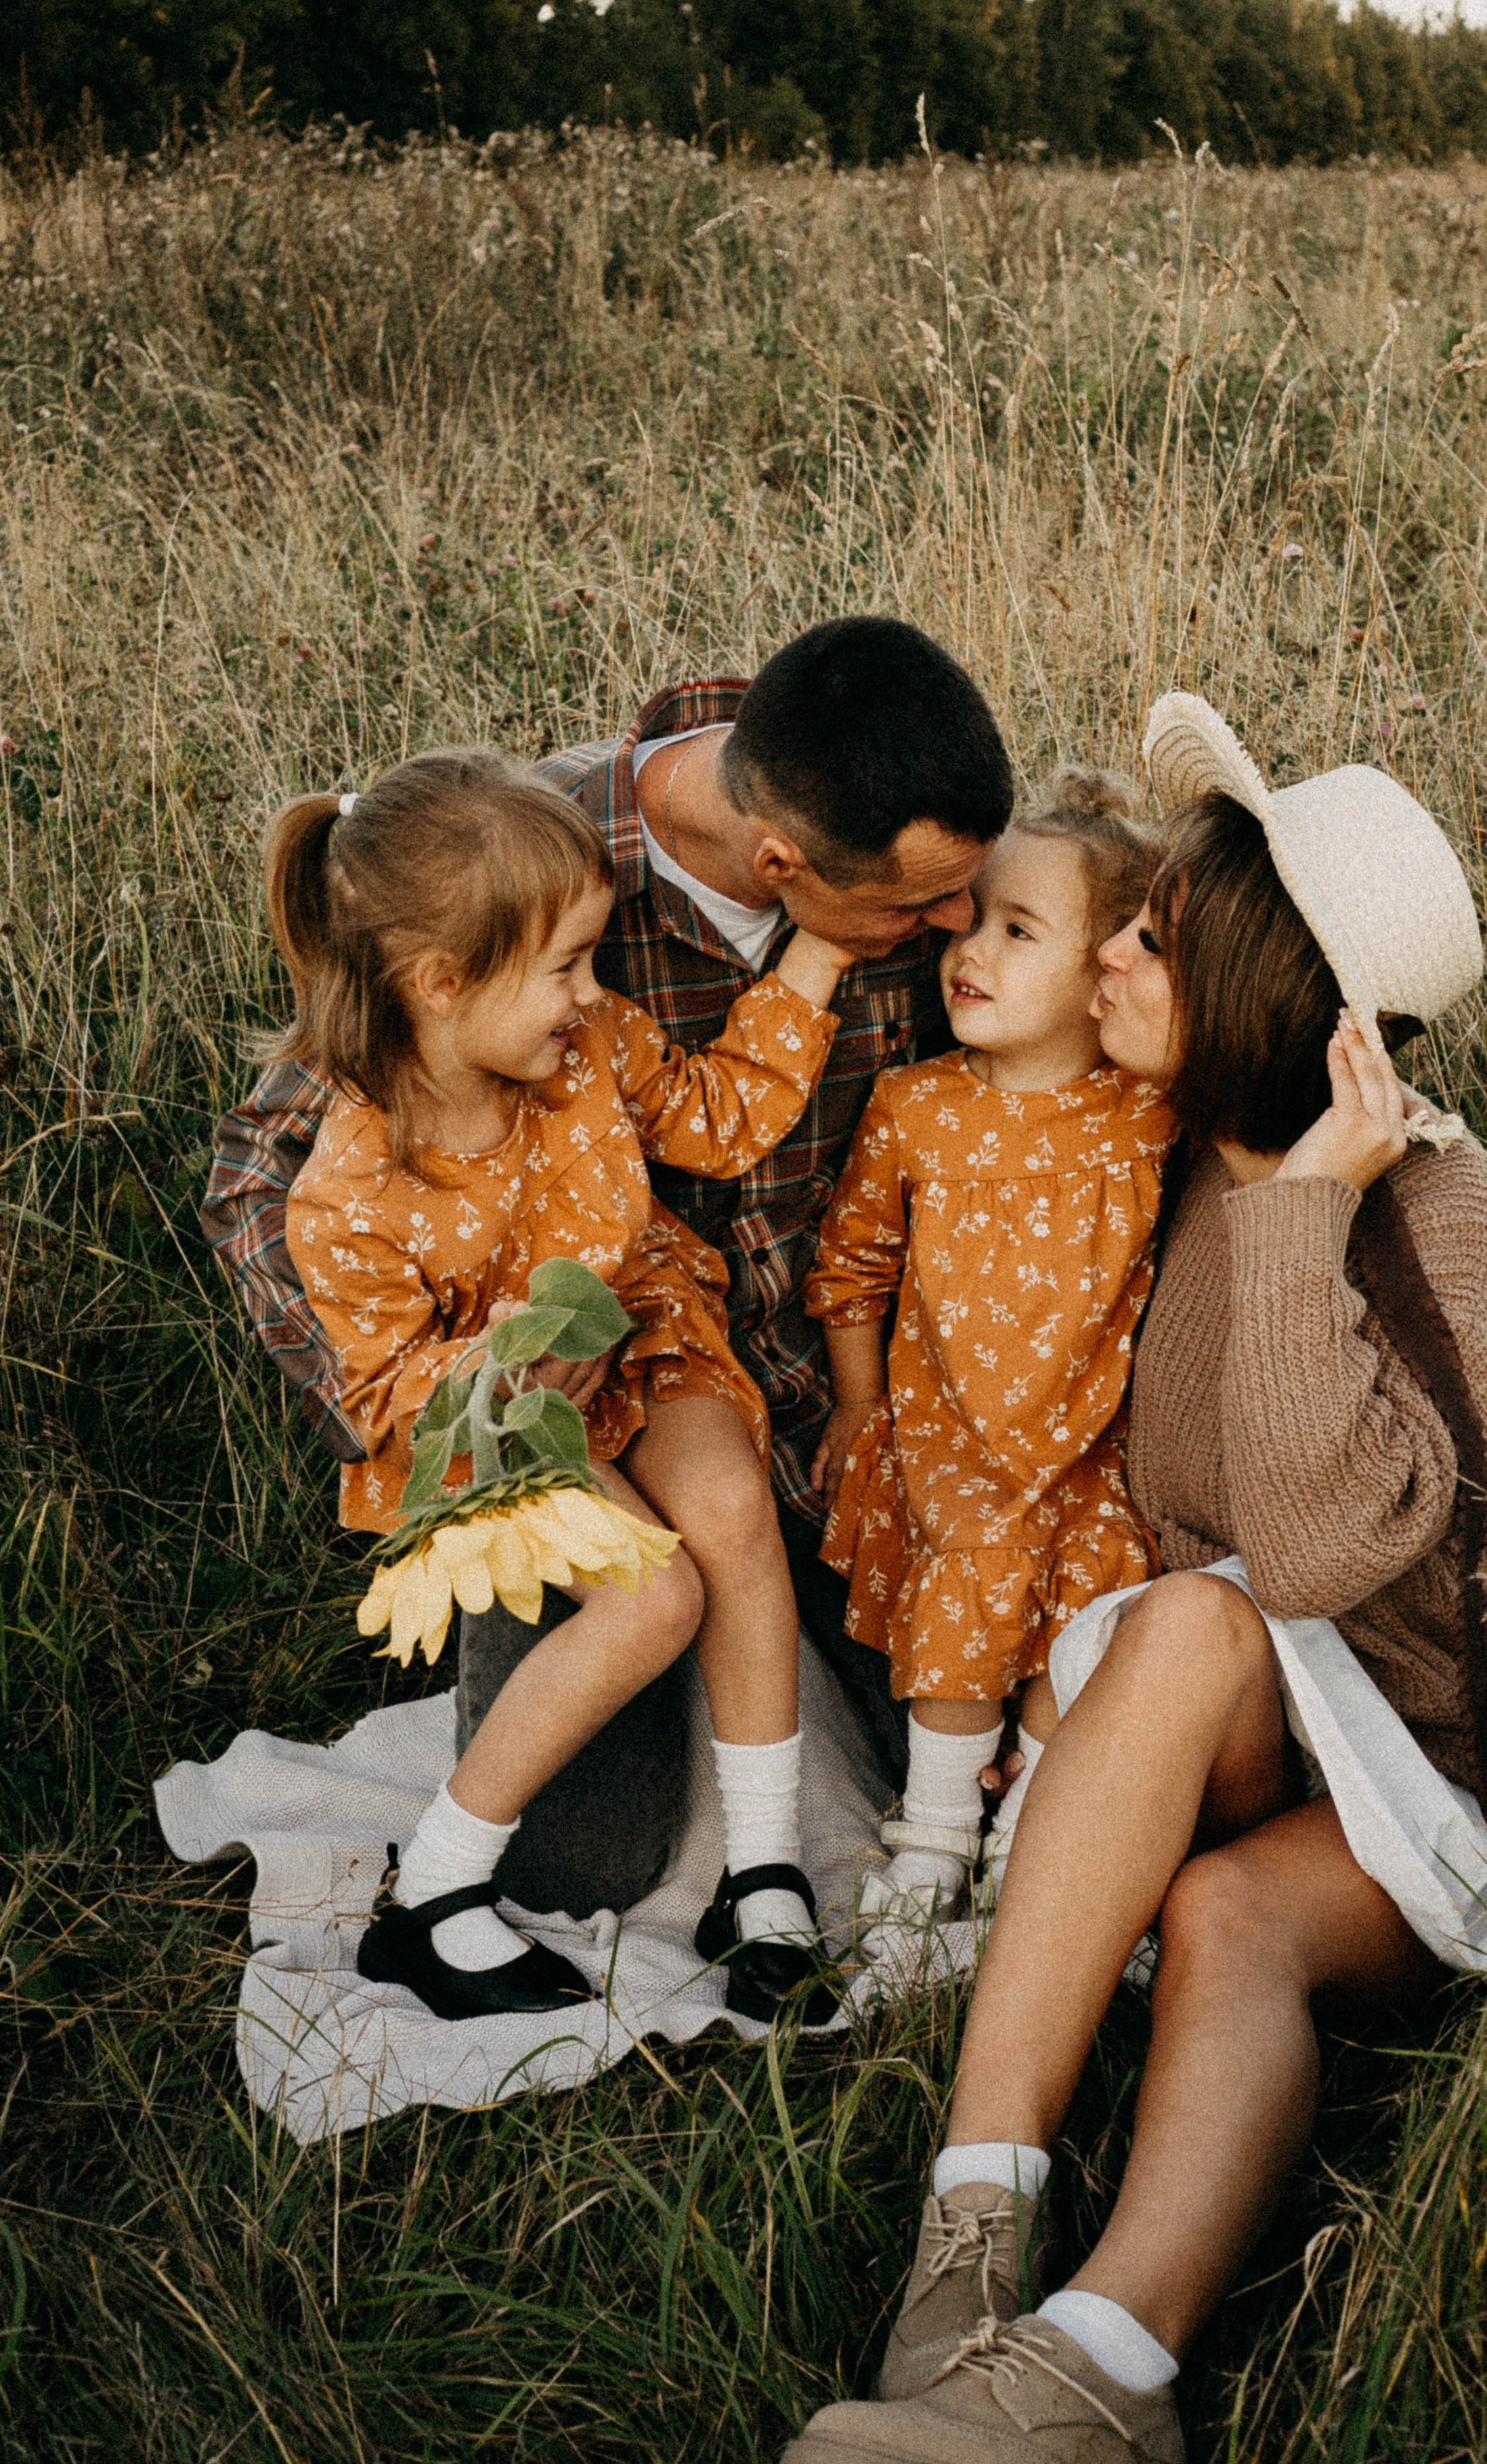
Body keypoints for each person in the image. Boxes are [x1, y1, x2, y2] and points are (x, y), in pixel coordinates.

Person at [788, 695, 1487, 2464]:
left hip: (1464, 1786)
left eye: (1155, 940)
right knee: (1182, 1631)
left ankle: (1100, 2370)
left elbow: (1306, 1553)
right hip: (1275, 1708)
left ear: (1260, 991)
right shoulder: (1187, 1155)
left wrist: (1307, 1211)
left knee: (1231, 1905)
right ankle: (969, 2242)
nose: (1112, 954)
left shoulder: (1451, 1242)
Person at [200, 618, 1014, 1921]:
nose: (957, 924)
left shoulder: (896, 848)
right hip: (539, 1415)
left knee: (944, 1739)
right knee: (583, 1864)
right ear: (780, 864)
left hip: (773, 1385)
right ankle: (457, 1881)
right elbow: (265, 1173)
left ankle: (766, 1873)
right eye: (916, 909)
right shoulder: (521, 872)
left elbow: (741, 1112)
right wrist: (456, 1412)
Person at [271, 747, 863, 2021]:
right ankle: (435, 1892)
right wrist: (510, 1362)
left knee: (732, 1510)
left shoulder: (590, 1045)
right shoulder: (351, 1186)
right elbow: (381, 1392)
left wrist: (817, 953)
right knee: (653, 1600)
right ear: (440, 983)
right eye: (566, 967)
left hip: (645, 1329)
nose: (592, 993)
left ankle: (762, 1875)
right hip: (503, 1418)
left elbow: (713, 1117)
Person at [804, 770, 1173, 1923]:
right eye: (974, 921)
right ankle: (936, 1834)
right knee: (967, 1578)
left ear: (1104, 973)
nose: (971, 951)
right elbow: (852, 1265)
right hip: (949, 1436)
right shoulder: (917, 1107)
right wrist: (858, 1405)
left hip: (1089, 1444)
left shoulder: (1146, 1112)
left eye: (1020, 931)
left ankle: (1032, 1835)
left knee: (1102, 1597)